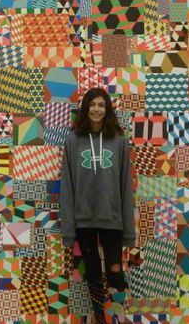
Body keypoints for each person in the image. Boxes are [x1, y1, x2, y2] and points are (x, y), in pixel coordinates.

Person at [59, 87, 136, 324]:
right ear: (85, 108)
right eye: (92, 104)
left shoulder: (119, 140)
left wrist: (129, 231)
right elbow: (67, 187)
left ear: (107, 109)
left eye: (101, 105)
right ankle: (100, 319)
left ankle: (117, 318)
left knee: (115, 273)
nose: (96, 109)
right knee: (92, 273)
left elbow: (125, 185)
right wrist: (68, 230)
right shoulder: (72, 141)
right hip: (84, 221)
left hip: (112, 219)